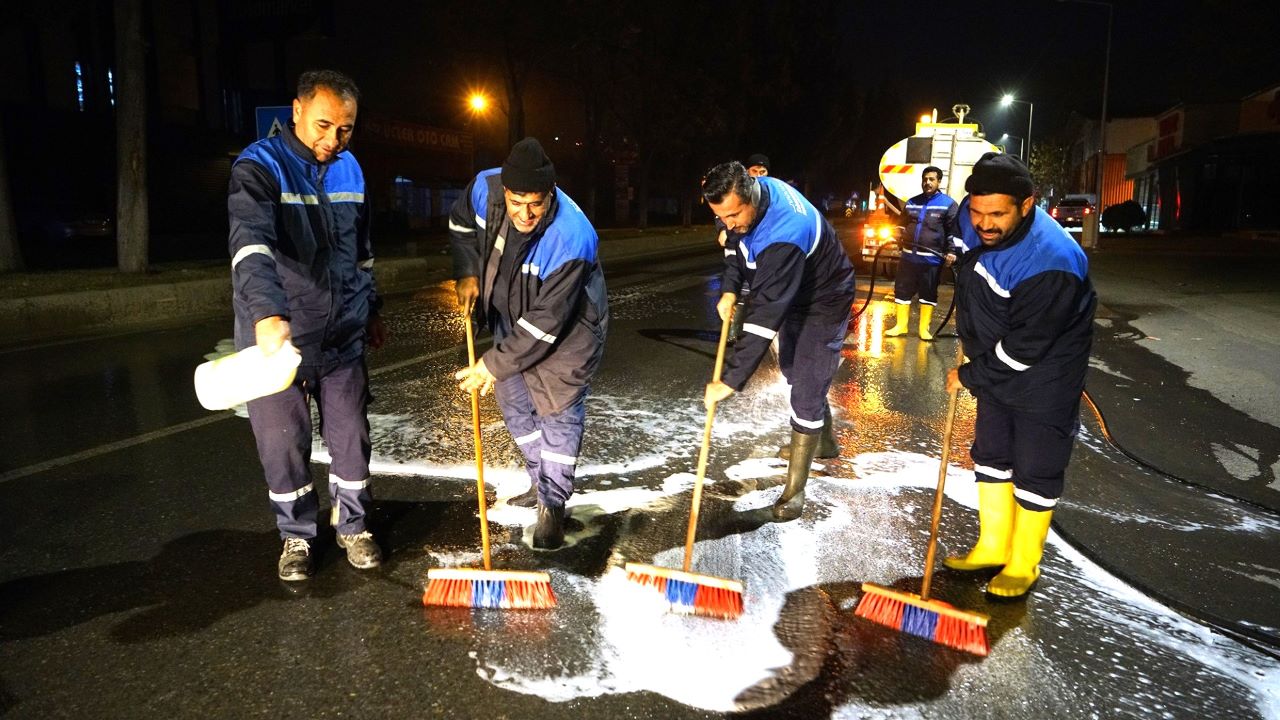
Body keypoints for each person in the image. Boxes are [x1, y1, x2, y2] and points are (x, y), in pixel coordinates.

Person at [228, 69, 385, 581]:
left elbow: (361, 253)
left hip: (342, 337)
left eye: (345, 130)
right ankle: (296, 537)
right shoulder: (259, 167)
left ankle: (354, 527)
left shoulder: (351, 169)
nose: (332, 141)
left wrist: (372, 310)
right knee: (283, 444)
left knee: (351, 438)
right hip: (282, 342)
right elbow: (249, 245)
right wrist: (267, 313)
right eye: (323, 126)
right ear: (295, 111)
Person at [942, 152, 1096, 598]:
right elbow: (967, 254)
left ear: (1027, 205)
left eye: (997, 214)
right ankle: (992, 545)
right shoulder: (976, 222)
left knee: (1036, 468)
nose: (984, 223)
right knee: (991, 455)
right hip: (996, 366)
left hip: (1045, 377)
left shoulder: (1052, 261)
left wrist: (970, 375)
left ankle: (1024, 562)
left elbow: (1028, 347)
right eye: (976, 211)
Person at [450, 137, 608, 550]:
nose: (526, 214)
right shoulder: (484, 189)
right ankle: (539, 482)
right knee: (515, 402)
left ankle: (553, 505)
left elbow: (546, 324)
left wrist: (490, 365)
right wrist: (467, 271)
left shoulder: (572, 237)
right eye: (517, 201)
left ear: (550, 193)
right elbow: (461, 225)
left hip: (570, 332)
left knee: (556, 413)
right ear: (505, 190)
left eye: (535, 203)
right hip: (511, 318)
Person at [702, 161, 856, 521]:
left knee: (806, 382)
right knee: (792, 368)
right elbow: (737, 248)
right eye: (720, 217)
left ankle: (795, 492)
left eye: (734, 215)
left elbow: (765, 316)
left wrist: (730, 380)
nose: (729, 224)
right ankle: (826, 440)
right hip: (792, 290)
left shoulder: (786, 231)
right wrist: (728, 290)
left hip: (824, 298)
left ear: (752, 193)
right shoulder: (744, 203)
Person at [885, 166, 959, 341]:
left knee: (928, 292)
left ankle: (924, 330)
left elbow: (953, 231)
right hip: (908, 256)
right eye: (925, 179)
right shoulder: (912, 202)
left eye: (932, 179)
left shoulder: (948, 204)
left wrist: (951, 252)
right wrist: (897, 233)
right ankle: (900, 326)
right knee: (902, 290)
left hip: (931, 259)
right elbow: (901, 224)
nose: (927, 182)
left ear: (939, 181)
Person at [719, 153, 771, 343]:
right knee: (738, 288)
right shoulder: (737, 191)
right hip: (738, 246)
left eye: (763, 171)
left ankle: (758, 334)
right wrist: (724, 229)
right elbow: (723, 213)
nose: (758, 175)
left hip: (760, 250)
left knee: (762, 292)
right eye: (755, 171)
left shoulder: (767, 195)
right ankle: (732, 331)